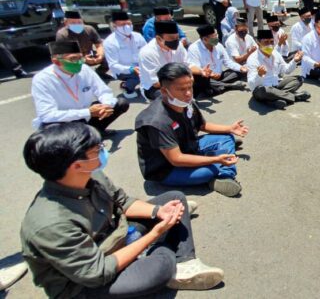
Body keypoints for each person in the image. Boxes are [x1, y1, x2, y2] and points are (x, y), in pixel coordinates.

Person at [20, 123, 225, 298]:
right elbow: (97, 272)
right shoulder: (51, 224)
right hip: (86, 285)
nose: (103, 150)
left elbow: (122, 201)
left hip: (116, 237)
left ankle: (183, 263)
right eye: (96, 149)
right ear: (76, 165)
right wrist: (156, 233)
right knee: (161, 265)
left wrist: (157, 212)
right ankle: (165, 256)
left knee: (175, 199)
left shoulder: (91, 176)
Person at [135, 62, 248, 197]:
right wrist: (216, 160)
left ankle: (223, 174)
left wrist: (229, 128)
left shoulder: (185, 102)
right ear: (164, 91)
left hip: (188, 146)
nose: (188, 93)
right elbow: (176, 159)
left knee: (226, 136)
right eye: (181, 89)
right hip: (167, 168)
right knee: (208, 171)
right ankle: (219, 170)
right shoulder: (156, 122)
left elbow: (202, 126)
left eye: (190, 87)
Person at [31, 40, 129, 135]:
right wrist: (87, 112)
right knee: (52, 130)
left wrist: (106, 105)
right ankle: (83, 138)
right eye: (73, 59)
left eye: (80, 58)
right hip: (64, 120)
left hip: (87, 114)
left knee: (120, 103)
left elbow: (103, 91)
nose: (79, 62)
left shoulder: (85, 69)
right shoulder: (42, 79)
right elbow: (47, 115)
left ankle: (96, 131)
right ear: (56, 62)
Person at [247, 29, 309, 109]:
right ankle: (295, 97)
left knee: (299, 79)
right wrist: (259, 75)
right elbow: (252, 85)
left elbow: (286, 70)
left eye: (271, 42)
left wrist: (295, 60)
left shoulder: (275, 54)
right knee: (265, 90)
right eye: (266, 42)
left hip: (276, 84)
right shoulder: (252, 59)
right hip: (262, 89)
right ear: (258, 43)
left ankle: (275, 100)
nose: (270, 45)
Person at [186, 25, 246, 98]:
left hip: (220, 76)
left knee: (239, 72)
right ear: (205, 39)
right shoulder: (194, 49)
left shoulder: (218, 46)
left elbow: (228, 62)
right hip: (207, 78)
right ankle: (229, 86)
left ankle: (218, 87)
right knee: (199, 78)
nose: (217, 38)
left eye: (216, 35)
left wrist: (241, 68)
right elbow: (192, 67)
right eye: (214, 37)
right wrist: (206, 73)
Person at [139, 21, 189, 100]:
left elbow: (187, 65)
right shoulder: (147, 52)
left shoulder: (179, 45)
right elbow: (155, 83)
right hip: (155, 87)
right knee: (170, 98)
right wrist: (179, 85)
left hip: (177, 81)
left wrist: (200, 72)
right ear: (159, 39)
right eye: (171, 38)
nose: (175, 41)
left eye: (177, 38)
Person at [103, 11, 146, 98]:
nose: (127, 26)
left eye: (128, 23)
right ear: (114, 26)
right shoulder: (110, 42)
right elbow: (113, 65)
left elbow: (146, 51)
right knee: (138, 75)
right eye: (122, 25)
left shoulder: (138, 36)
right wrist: (131, 69)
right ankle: (126, 86)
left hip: (140, 65)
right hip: (123, 70)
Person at [56, 10, 106, 77]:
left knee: (109, 56)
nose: (77, 24)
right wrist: (84, 59)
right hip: (73, 58)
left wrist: (100, 55)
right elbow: (65, 55)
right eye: (73, 23)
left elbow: (99, 44)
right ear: (66, 23)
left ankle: (100, 73)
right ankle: (78, 78)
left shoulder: (89, 29)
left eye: (79, 22)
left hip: (89, 54)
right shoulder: (62, 34)